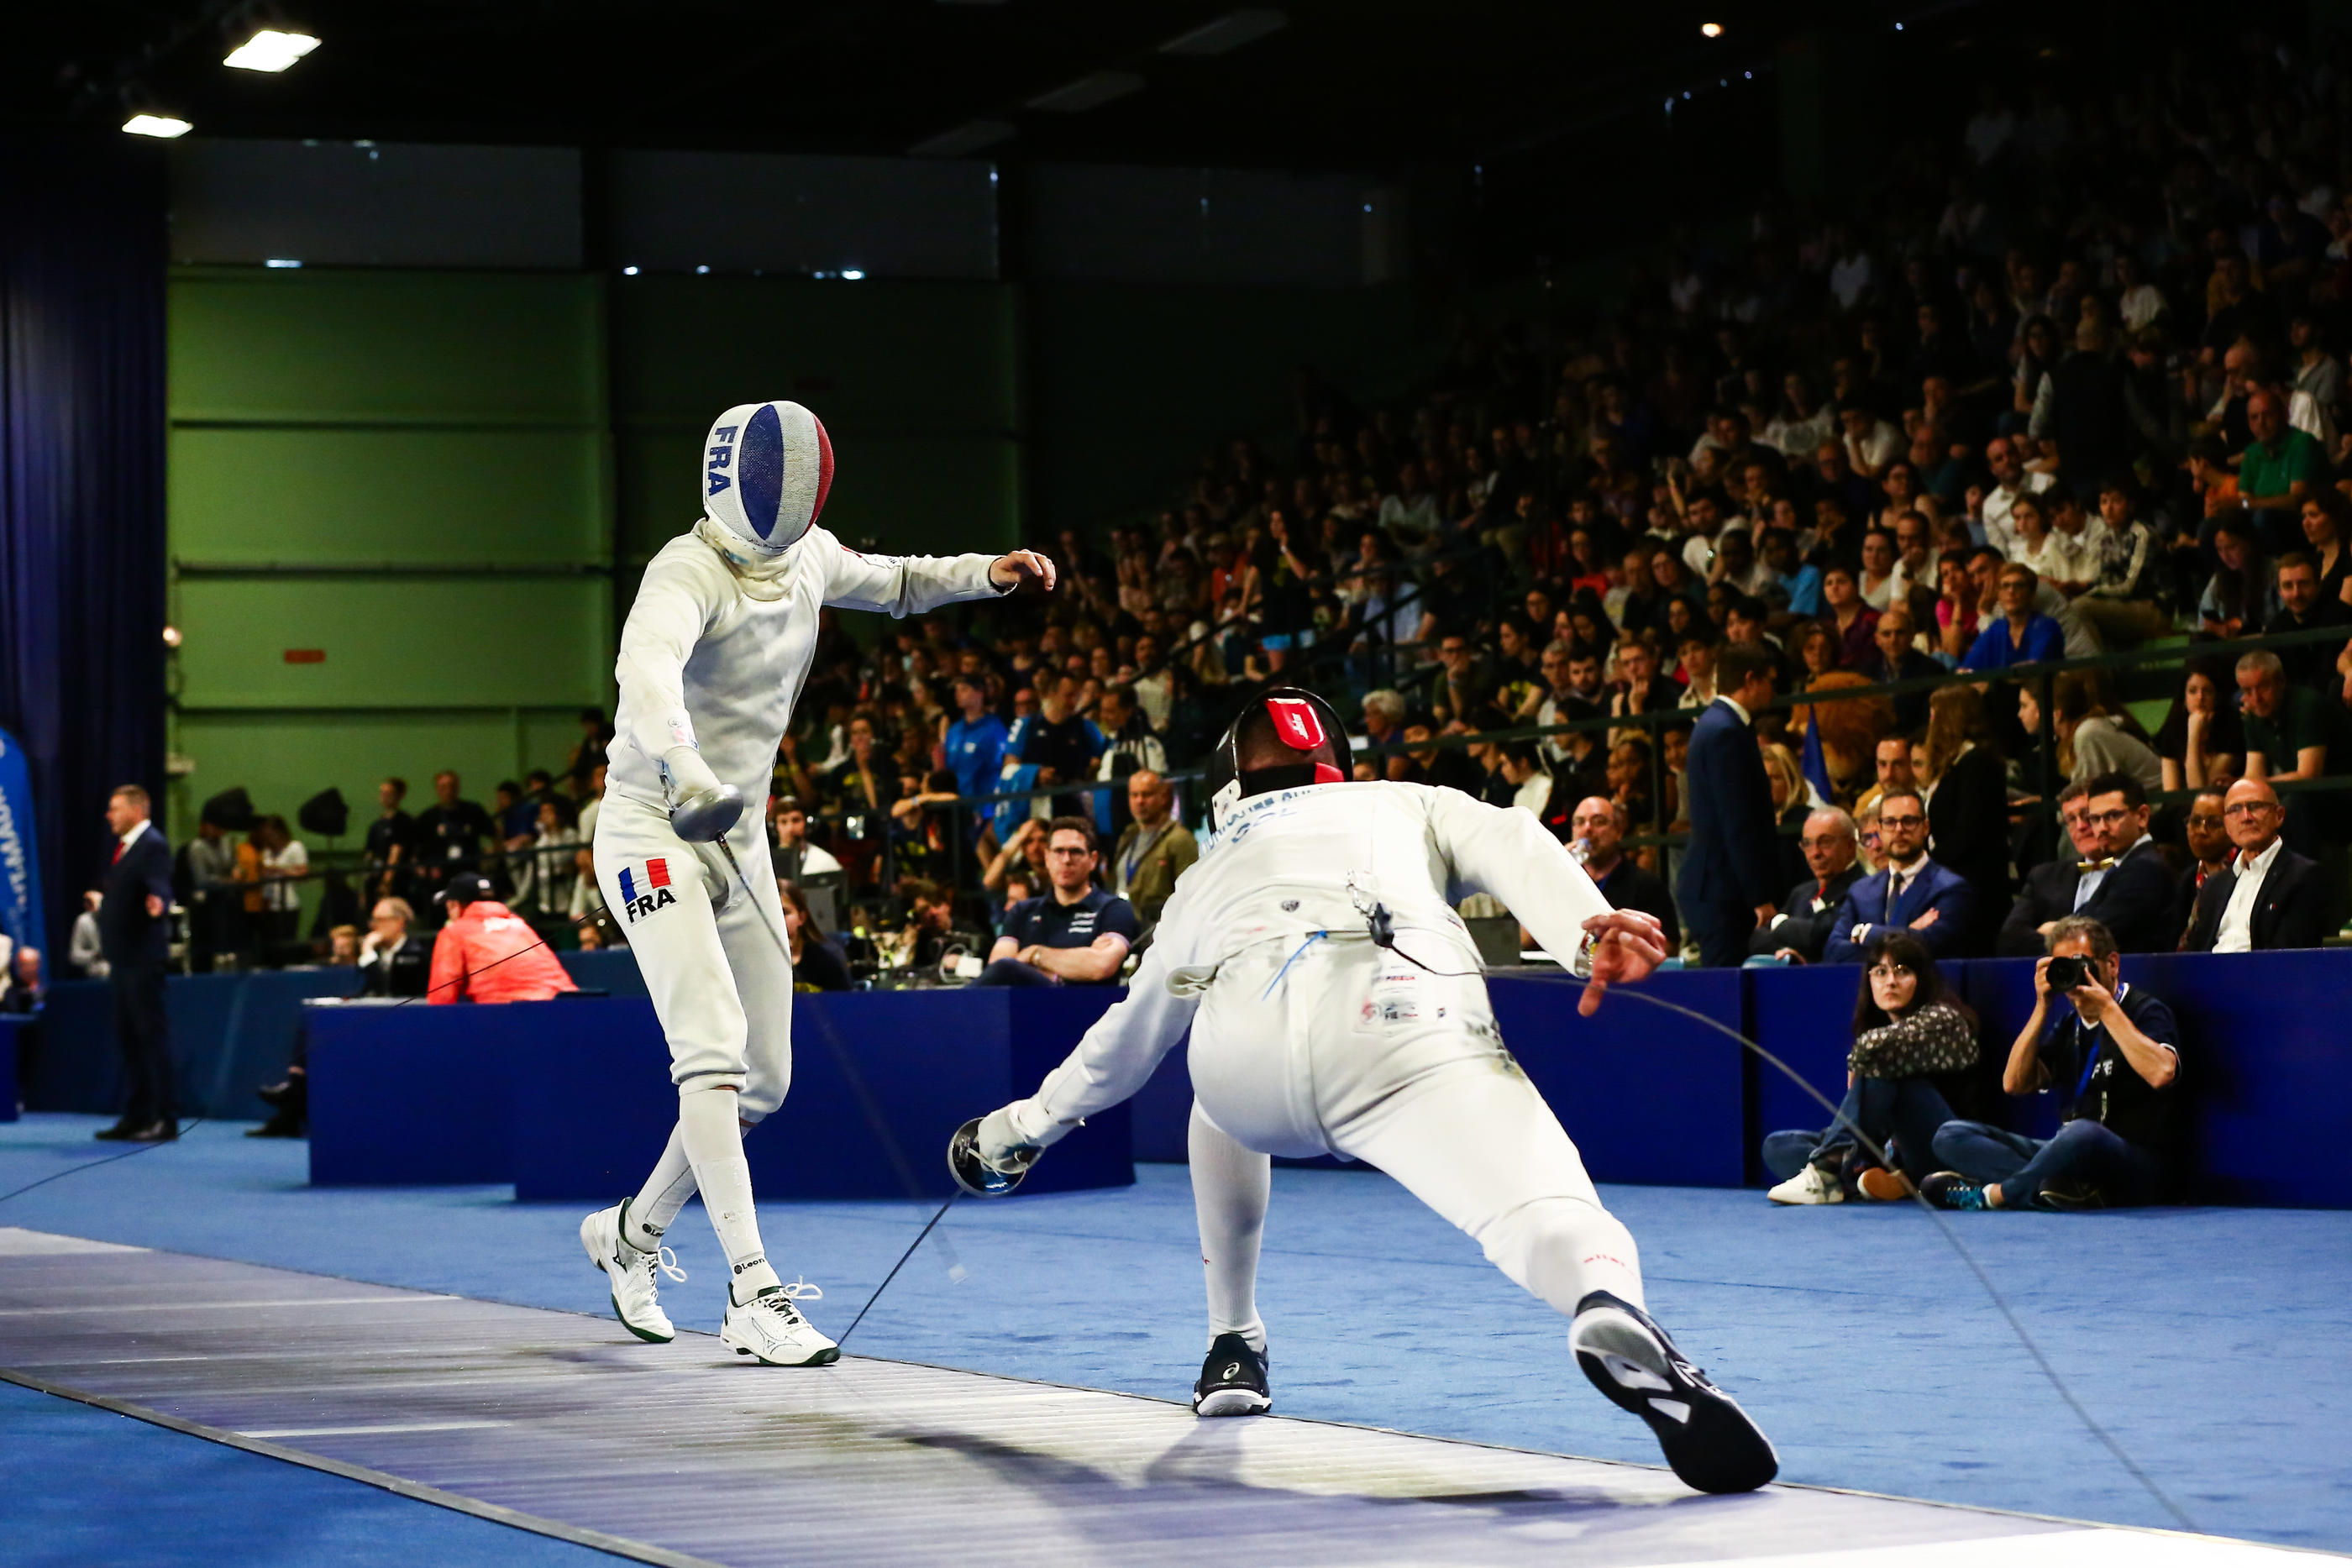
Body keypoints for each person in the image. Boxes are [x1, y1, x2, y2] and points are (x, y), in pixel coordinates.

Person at [946, 690, 1774, 1496]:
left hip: (1248, 1068)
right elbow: (1512, 837)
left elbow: (1126, 1045)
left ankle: (1233, 1343)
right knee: (1542, 1205)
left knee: (1214, 1093)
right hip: (1402, 1029)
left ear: (1228, 786)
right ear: (1339, 767)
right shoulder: (1403, 798)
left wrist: (1017, 1131)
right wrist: (1584, 924)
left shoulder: (1210, 868)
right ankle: (1603, 1295)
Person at [580, 397, 1054, 1367]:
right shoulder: (686, 569)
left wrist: (988, 574)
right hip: (650, 828)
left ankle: (630, 1233)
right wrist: (686, 771)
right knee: (710, 1053)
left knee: (764, 1082)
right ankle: (752, 1289)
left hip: (740, 836)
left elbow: (899, 581)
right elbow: (647, 675)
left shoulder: (809, 558)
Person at [1924, 916, 2184, 1211]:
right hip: (2068, 1155)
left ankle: (1997, 1194)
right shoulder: (2068, 1024)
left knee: (2081, 1132)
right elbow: (2014, 1083)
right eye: (2065, 967)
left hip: (2133, 1161)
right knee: (1950, 1135)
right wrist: (2042, 1007)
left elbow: (2162, 1073)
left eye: (2081, 963)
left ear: (2112, 964)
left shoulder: (2145, 1009)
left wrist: (2108, 1009)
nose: (2075, 975)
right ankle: (2057, 1188)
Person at [1763, 931, 1979, 1204]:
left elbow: (1874, 1048)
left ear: (1922, 979)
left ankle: (1830, 1173)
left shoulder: (1945, 1018)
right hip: (1883, 1148)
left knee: (1883, 1067)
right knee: (1779, 1145)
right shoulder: (1877, 1034)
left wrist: (1858, 1061)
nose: (1890, 982)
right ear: (1870, 981)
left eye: (1902, 971)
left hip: (1940, 1146)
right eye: (1880, 972)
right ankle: (1872, 1180)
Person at [1676, 645, 1782, 967]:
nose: (1773, 691)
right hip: (1722, 891)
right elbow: (1736, 821)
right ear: (1751, 680)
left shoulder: (1716, 724)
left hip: (1717, 886)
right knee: (1725, 991)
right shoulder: (1726, 731)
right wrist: (1758, 896)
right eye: (1770, 681)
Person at [96, 785, 176, 1143]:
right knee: (130, 1041)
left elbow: (159, 885)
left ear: (136, 810)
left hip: (142, 960)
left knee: (149, 1039)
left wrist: (159, 901)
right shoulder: (129, 847)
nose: (108, 816)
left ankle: (164, 1118)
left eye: (115, 809)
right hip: (124, 960)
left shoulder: (152, 844)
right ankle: (137, 1115)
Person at [979, 817, 1138, 986]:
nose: (1066, 860)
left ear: (1093, 860)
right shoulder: (1022, 911)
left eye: (1076, 852)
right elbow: (1000, 968)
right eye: (1058, 851)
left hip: (1087, 1008)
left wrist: (1035, 953)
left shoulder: (1114, 909)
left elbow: (1100, 966)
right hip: (1026, 1008)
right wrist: (1072, 964)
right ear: (1047, 858)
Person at [1822, 789, 1972, 962]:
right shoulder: (1860, 891)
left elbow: (1930, 946)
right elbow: (1834, 951)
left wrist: (1864, 933)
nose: (1899, 829)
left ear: (1925, 828)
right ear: (1880, 829)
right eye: (1890, 822)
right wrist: (1908, 932)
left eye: (1908, 821)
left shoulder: (1951, 888)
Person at [2182, 779, 2328, 952]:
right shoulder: (2215, 885)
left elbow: (2290, 956)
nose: (2246, 817)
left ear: (2279, 815)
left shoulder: (2303, 875)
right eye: (2235, 810)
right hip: (2210, 976)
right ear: (2227, 825)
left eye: (2255, 806)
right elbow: (2197, 950)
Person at [2067, 772, 2186, 952]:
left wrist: (2055, 931)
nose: (2102, 828)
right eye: (2095, 819)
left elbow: (2091, 935)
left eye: (2113, 816)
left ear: (2142, 816)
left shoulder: (2144, 870)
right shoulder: (2127, 864)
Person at [427, 874, 578, 1004]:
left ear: (454, 905)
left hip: (507, 1015)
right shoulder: (518, 924)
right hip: (565, 1005)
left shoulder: (455, 932)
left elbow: (442, 996)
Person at [1563, 795, 1678, 950]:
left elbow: (1668, 948)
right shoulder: (1565, 882)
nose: (1587, 828)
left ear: (1618, 831)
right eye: (1579, 822)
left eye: (1598, 822)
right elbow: (1525, 939)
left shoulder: (1646, 885)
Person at [1751, 807, 1865, 963]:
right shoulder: (1801, 893)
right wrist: (1789, 955)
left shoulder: (1863, 889)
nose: (1815, 853)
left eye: (1825, 842)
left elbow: (1820, 934)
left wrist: (1777, 923)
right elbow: (1758, 938)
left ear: (1851, 846)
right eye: (1808, 844)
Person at [1108, 769, 1198, 930]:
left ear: (1163, 797)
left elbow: (1191, 897)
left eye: (1146, 794)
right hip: (1124, 926)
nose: (1139, 801)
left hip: (1160, 929)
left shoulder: (1179, 839)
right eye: (1134, 795)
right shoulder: (1128, 836)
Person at [1959, 563, 2065, 670]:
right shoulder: (1996, 628)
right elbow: (1965, 669)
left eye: (2019, 585)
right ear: (1999, 595)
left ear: (2031, 594)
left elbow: (2031, 670)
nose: (2011, 591)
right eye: (2005, 586)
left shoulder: (2046, 626)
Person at [415, 771, 494, 905]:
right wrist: (424, 869)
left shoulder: (473, 810)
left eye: (452, 786)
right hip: (440, 875)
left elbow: (494, 834)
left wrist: (490, 859)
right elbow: (417, 848)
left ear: (458, 787)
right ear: (437, 790)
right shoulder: (428, 817)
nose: (448, 791)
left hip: (470, 870)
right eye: (443, 787)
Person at [779, 878, 854, 992]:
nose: (778, 919)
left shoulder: (828, 958)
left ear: (802, 917)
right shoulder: (757, 960)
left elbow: (845, 1004)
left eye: (785, 912)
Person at [365, 777, 418, 904]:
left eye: (389, 793)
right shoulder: (377, 825)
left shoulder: (403, 822)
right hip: (375, 878)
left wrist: (387, 882)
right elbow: (369, 855)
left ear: (399, 796)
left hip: (397, 883)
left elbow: (396, 853)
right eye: (382, 793)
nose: (384, 797)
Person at [768, 797, 843, 884]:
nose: (790, 828)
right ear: (774, 827)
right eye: (783, 822)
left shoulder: (824, 862)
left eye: (796, 820)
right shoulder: (767, 863)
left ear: (807, 824)